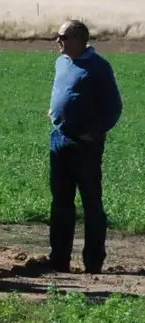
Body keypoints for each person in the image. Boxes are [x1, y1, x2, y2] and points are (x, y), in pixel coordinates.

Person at [43, 20, 122, 274]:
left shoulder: (99, 67)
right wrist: (55, 113)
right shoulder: (61, 62)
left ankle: (93, 261)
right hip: (60, 139)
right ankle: (59, 258)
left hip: (85, 144)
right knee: (61, 201)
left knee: (91, 202)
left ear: (78, 38)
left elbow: (113, 107)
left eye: (62, 37)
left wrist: (94, 132)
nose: (58, 41)